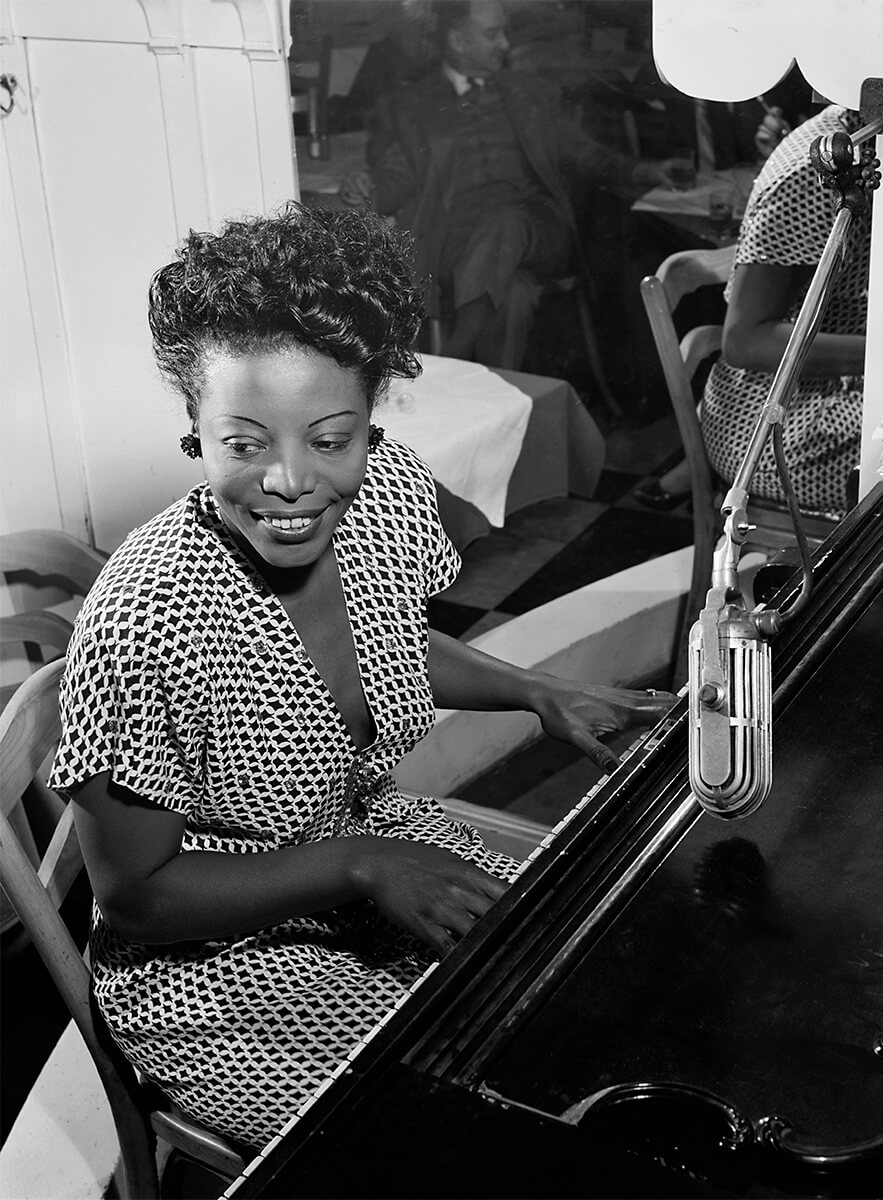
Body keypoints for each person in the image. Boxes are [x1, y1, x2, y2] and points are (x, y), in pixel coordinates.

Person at [47, 204, 674, 1149]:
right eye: (244, 442)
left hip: (367, 844)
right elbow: (137, 896)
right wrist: (360, 864)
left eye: (328, 438)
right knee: (449, 1138)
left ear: (372, 417)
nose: (290, 480)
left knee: (603, 985)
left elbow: (386, 638)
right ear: (194, 429)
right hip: (218, 970)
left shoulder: (386, 492)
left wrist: (538, 692)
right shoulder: (148, 615)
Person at [339, 0, 690, 371]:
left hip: (537, 228)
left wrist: (647, 171)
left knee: (507, 221)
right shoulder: (411, 105)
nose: (505, 44)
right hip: (456, 244)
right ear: (458, 39)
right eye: (492, 34)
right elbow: (397, 176)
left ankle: (454, 356)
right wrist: (367, 187)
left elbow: (584, 153)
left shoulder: (528, 93)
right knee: (515, 295)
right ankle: (499, 410)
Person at [636, 103, 870, 515]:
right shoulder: (812, 172)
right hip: (776, 427)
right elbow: (744, 341)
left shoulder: (870, 142)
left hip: (834, 396)